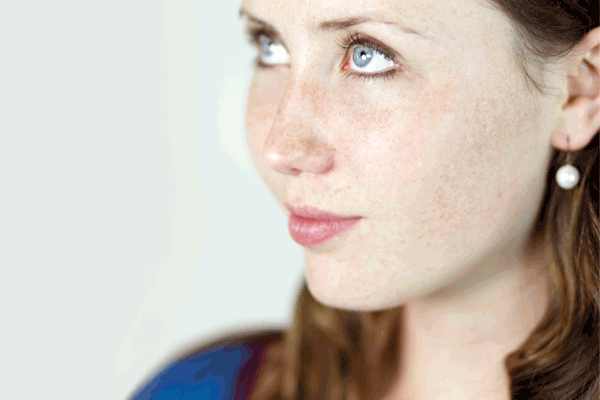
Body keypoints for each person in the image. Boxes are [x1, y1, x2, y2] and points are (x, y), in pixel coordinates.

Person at [129, 0, 599, 399]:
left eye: (368, 55)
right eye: (271, 46)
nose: (282, 148)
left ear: (579, 93)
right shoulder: (205, 388)